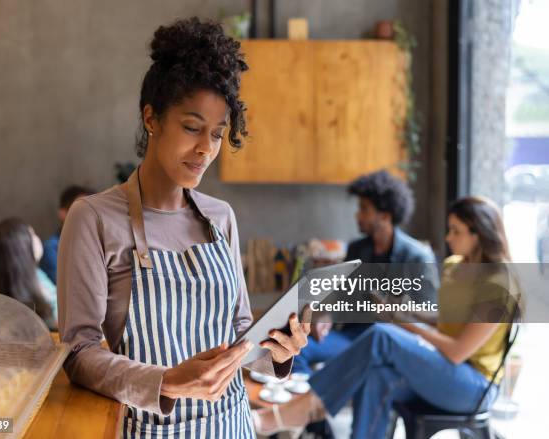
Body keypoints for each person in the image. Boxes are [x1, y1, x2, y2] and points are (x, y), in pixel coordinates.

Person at [57, 18, 309, 438]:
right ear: (151, 118)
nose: (206, 149)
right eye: (192, 127)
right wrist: (168, 381)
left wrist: (279, 353)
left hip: (232, 426)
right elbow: (78, 354)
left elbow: (240, 336)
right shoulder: (94, 219)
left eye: (217, 134)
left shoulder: (220, 218)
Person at [254, 196, 520, 439]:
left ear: (478, 234)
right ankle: (303, 414)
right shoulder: (455, 266)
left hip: (473, 386)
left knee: (383, 334)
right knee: (376, 378)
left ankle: (294, 413)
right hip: (445, 371)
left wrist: (402, 323)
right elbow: (444, 320)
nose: (448, 238)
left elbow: (458, 352)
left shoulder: (498, 286)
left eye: (456, 231)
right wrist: (405, 310)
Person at [293, 170, 438, 375]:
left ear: (385, 216)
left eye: (364, 209)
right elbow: (342, 298)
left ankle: (324, 398)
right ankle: (312, 404)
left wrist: (391, 310)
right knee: (296, 349)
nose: (357, 215)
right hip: (352, 337)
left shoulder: (418, 258)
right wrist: (327, 316)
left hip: (390, 342)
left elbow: (427, 321)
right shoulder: (357, 249)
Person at [0, 217, 57, 330]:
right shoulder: (34, 312)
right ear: (22, 249)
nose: (38, 239)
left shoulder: (38, 275)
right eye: (33, 235)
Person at [39, 185, 94, 284]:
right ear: (62, 213)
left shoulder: (98, 246)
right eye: (81, 211)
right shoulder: (51, 248)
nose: (87, 217)